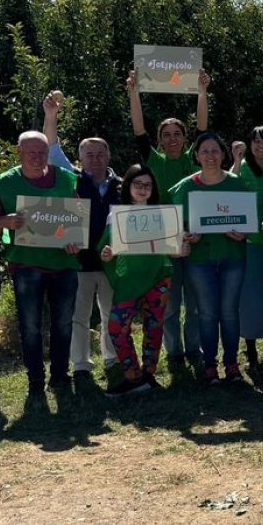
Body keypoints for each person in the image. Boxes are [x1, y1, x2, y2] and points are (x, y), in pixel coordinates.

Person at [0, 131, 82, 394]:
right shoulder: (3, 184)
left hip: (63, 265)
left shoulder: (66, 179)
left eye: (41, 152)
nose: (37, 157)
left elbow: (76, 224)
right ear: (19, 152)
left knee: (63, 323)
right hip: (26, 266)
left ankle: (60, 375)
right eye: (31, 152)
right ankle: (35, 378)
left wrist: (75, 242)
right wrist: (3, 223)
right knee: (30, 326)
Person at [127, 68, 209, 371]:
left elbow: (203, 127)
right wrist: (133, 92)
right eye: (166, 135)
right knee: (170, 305)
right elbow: (138, 131)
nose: (172, 139)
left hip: (197, 240)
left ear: (185, 140)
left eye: (178, 134)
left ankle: (194, 350)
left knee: (197, 305)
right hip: (164, 243)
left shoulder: (193, 159)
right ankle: (174, 353)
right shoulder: (153, 161)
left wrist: (201, 91)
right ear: (159, 141)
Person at [42, 94, 123, 381]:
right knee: (78, 317)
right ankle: (80, 364)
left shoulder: (123, 187)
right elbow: (51, 149)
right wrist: (50, 116)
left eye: (100, 154)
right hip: (79, 261)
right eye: (89, 154)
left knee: (111, 314)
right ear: (80, 158)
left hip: (112, 262)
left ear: (108, 157)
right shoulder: (72, 178)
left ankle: (113, 359)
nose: (95, 159)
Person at [98, 165, 189, 396]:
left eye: (147, 185)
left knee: (154, 326)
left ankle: (148, 375)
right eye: (137, 184)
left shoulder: (162, 214)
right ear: (128, 186)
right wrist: (106, 254)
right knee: (117, 327)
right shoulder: (115, 215)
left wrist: (183, 249)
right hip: (129, 279)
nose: (142, 189)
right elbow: (106, 250)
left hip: (159, 277)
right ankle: (132, 376)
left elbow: (175, 250)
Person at [171, 132, 250, 385]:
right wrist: (186, 236)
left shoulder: (238, 184)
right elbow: (174, 228)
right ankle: (209, 365)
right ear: (196, 155)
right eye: (204, 151)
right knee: (207, 313)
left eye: (215, 150)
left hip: (232, 257)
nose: (210, 156)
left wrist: (243, 233)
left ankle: (231, 364)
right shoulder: (185, 187)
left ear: (223, 154)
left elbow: (249, 222)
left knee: (229, 313)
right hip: (200, 260)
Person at [232, 126, 263, 368]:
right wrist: (237, 160)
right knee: (251, 297)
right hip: (252, 243)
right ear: (250, 145)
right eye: (256, 141)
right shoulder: (244, 169)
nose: (261, 146)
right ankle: (250, 349)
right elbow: (229, 192)